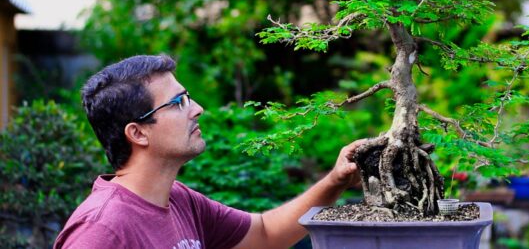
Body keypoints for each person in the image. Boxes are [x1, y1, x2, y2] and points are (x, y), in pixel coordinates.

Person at [54, 54, 364, 249]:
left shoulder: (179, 200)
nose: (198, 109)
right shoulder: (102, 230)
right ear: (137, 133)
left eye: (188, 98)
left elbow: (266, 234)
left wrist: (335, 181)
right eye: (178, 103)